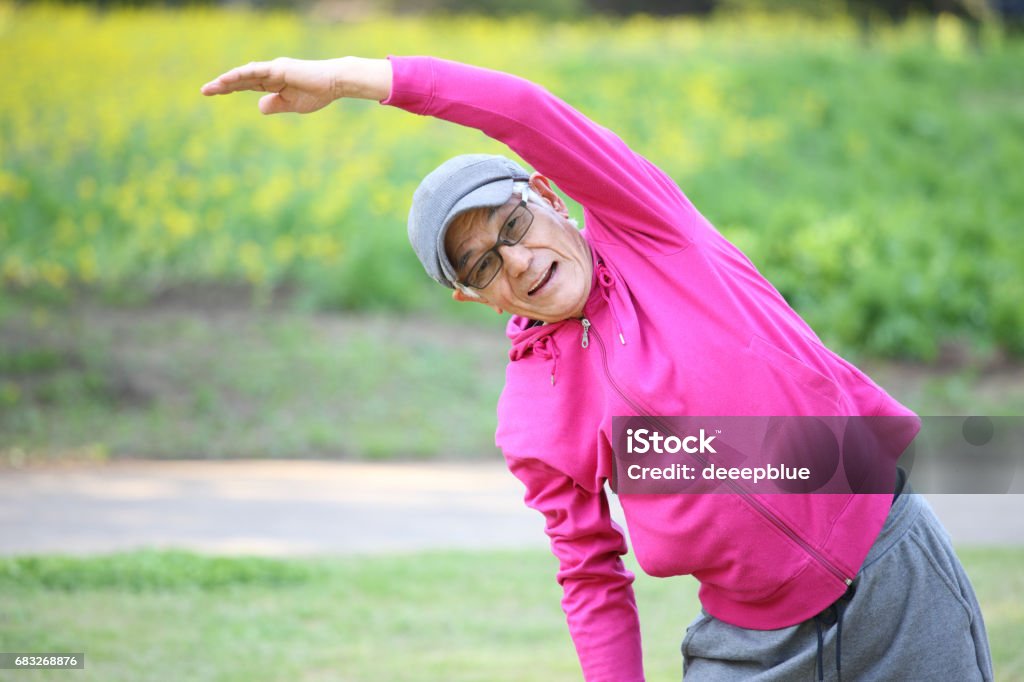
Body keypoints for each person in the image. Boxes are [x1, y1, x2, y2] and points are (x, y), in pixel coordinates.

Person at [201, 55, 994, 681]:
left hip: (895, 576)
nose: (517, 260)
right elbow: (590, 575)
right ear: (471, 298)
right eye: (481, 265)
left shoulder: (649, 230)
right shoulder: (533, 413)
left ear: (548, 194)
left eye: (515, 223)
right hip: (753, 646)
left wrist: (348, 78)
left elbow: (523, 111)